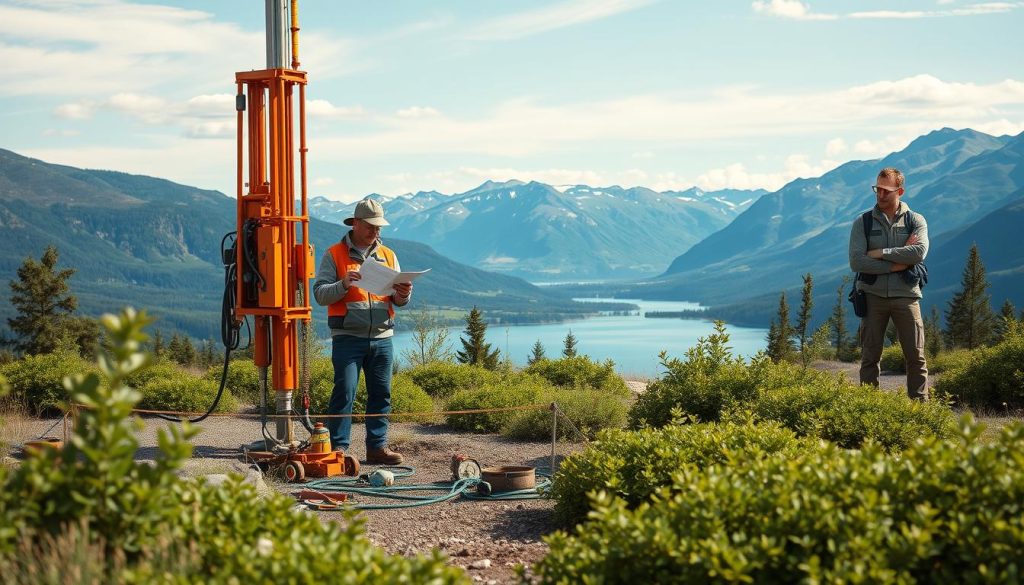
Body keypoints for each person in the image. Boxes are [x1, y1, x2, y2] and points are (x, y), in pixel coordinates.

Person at [313, 198, 412, 464]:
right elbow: (320, 295)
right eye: (370, 226)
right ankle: (338, 450)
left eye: (379, 227)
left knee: (382, 393)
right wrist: (343, 284)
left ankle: (377, 448)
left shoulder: (389, 255)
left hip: (383, 337)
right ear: (355, 223)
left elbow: (398, 301)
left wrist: (404, 294)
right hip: (347, 337)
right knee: (344, 392)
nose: (375, 232)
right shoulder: (334, 254)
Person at [848, 167, 929, 400]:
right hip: (872, 296)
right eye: (877, 189)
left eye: (886, 191)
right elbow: (857, 261)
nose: (880, 195)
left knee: (916, 356)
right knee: (870, 356)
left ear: (900, 191)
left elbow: (919, 252)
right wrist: (896, 264)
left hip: (907, 295)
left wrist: (881, 252)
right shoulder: (862, 222)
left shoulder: (916, 220)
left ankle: (920, 408)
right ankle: (870, 407)